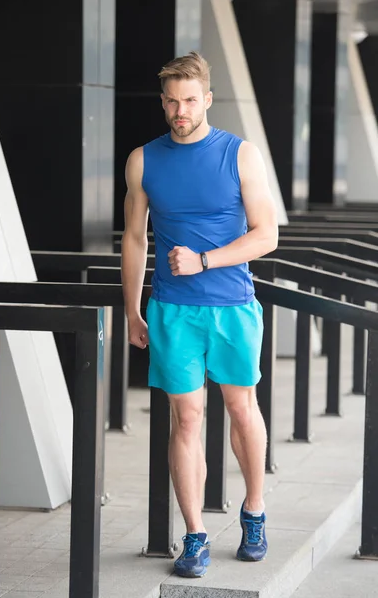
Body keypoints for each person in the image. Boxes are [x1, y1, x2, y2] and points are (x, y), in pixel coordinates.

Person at [121, 51, 278, 578]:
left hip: (232, 306)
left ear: (207, 99)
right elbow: (135, 238)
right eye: (172, 101)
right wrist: (132, 310)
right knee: (185, 419)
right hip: (172, 311)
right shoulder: (144, 159)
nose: (180, 110)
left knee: (241, 409)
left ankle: (253, 511)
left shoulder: (240, 154)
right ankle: (195, 535)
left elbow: (267, 236)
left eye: (190, 100)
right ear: (162, 102)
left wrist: (205, 259)